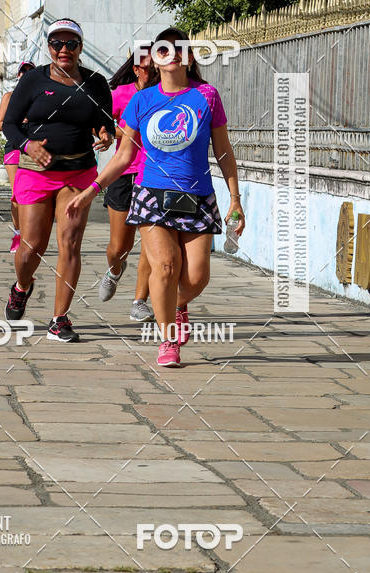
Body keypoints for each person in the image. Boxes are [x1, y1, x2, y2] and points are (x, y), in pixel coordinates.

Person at [67, 26, 245, 368]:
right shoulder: (142, 100)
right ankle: (168, 341)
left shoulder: (207, 96)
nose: (172, 54)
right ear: (155, 59)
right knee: (164, 265)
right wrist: (92, 190)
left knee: (197, 276)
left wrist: (235, 198)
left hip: (198, 196)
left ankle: (177, 305)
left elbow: (223, 151)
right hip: (151, 194)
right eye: (163, 50)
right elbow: (122, 156)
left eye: (180, 49)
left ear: (190, 57)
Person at [2, 18, 114, 342]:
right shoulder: (34, 80)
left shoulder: (95, 83)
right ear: (49, 47)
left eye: (71, 44)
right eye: (57, 44)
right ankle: (22, 286)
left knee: (70, 242)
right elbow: (10, 124)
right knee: (30, 248)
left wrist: (105, 135)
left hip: (78, 174)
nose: (64, 50)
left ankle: (59, 319)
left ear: (80, 47)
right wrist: (28, 144)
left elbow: (104, 123)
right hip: (36, 172)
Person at [98, 53, 155, 322]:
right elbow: (103, 126)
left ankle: (139, 301)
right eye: (148, 69)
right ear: (136, 69)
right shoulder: (120, 94)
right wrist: (113, 134)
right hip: (125, 173)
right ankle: (114, 270)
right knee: (119, 246)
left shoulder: (169, 94)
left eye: (158, 67)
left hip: (155, 176)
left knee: (151, 245)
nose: (154, 72)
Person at [0, 60, 35, 252]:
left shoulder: (40, 97)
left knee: (33, 194)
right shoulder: (9, 97)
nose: (26, 74)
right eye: (23, 71)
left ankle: (31, 235)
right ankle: (18, 234)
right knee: (17, 194)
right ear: (18, 75)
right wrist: (18, 121)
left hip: (35, 149)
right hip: (14, 148)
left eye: (30, 71)